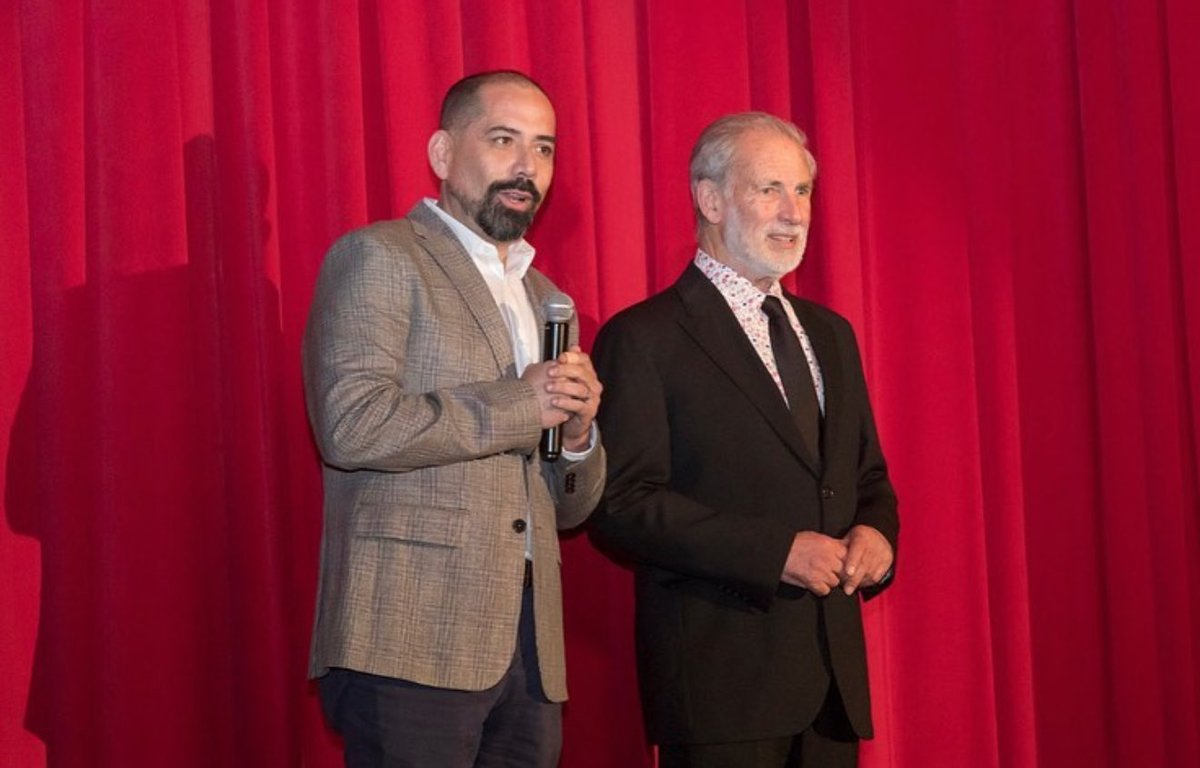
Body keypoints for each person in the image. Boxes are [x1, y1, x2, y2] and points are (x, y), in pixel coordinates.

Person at [302, 70, 605, 767]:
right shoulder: (379, 256)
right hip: (411, 633)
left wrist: (579, 436)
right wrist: (523, 403)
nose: (527, 167)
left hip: (530, 648)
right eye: (503, 140)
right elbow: (352, 425)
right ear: (442, 154)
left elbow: (567, 510)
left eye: (544, 148)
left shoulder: (547, 296)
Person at [589, 112, 898, 768]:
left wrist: (877, 536)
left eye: (804, 192)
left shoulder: (831, 334)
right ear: (710, 199)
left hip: (831, 692)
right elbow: (621, 507)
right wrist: (773, 552)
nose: (792, 213)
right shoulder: (644, 338)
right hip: (719, 692)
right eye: (769, 190)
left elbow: (867, 478)